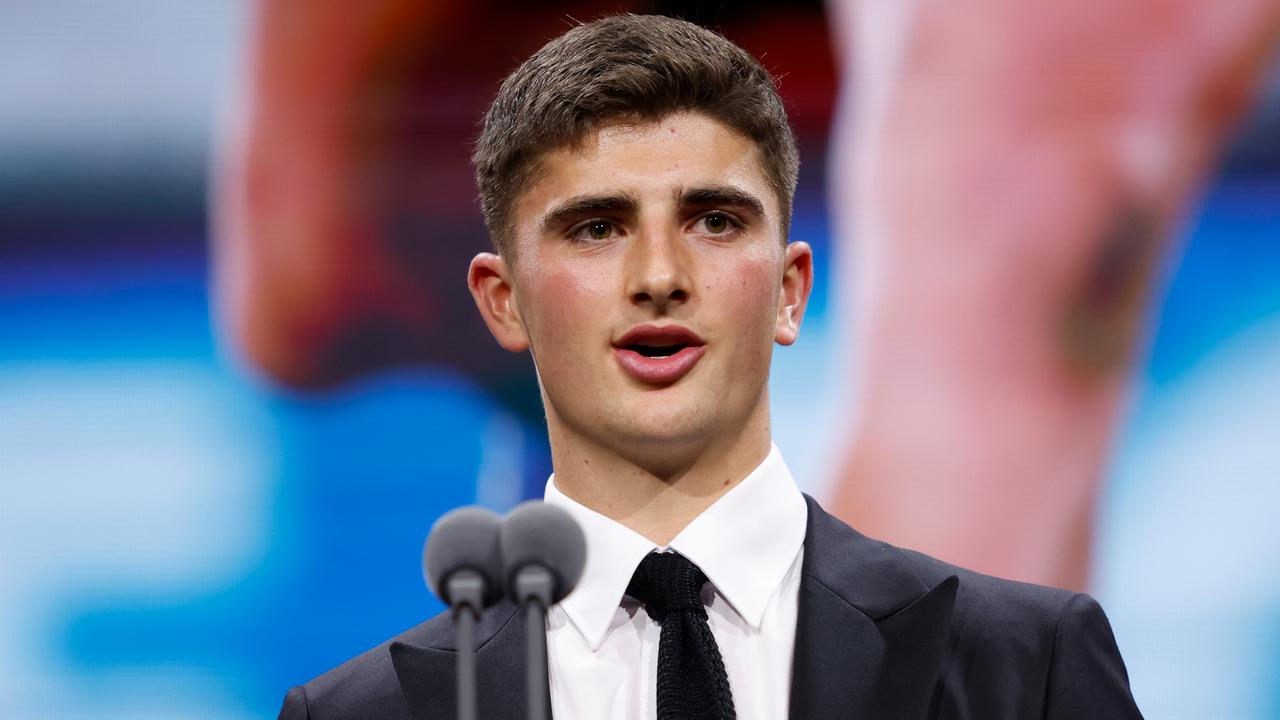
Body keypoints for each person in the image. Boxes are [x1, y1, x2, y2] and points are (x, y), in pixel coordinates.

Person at [277, 14, 1143, 719]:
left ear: (790, 292)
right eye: (596, 228)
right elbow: (299, 293)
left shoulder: (1028, 668)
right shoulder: (359, 714)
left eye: (716, 222)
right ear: (504, 300)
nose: (660, 278)